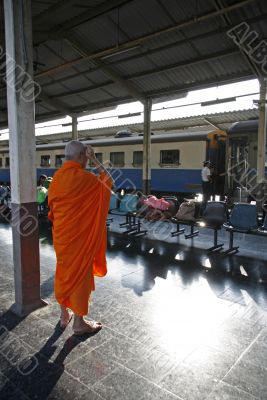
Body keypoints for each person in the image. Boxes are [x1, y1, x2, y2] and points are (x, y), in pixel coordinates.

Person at [48, 141, 113, 335]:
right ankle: (78, 323)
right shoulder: (86, 178)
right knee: (80, 276)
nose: (87, 161)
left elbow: (52, 210)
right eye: (85, 157)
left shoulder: (57, 178)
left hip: (62, 238)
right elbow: (108, 181)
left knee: (63, 272)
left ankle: (63, 315)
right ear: (81, 157)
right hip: (80, 240)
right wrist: (95, 159)